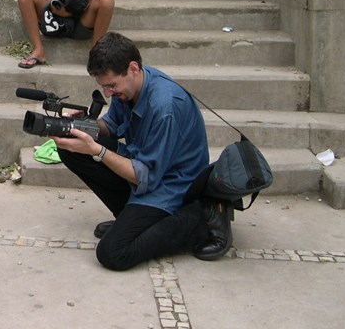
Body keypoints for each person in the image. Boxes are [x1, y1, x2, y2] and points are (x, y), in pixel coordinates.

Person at [51, 32, 234, 271]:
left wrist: (97, 150)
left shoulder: (165, 106)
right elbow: (112, 126)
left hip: (173, 185)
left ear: (133, 68)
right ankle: (135, 220)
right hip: (144, 166)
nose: (108, 94)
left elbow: (144, 176)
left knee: (112, 253)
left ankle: (201, 218)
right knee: (70, 146)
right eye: (104, 87)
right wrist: (83, 125)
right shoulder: (129, 87)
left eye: (111, 86)